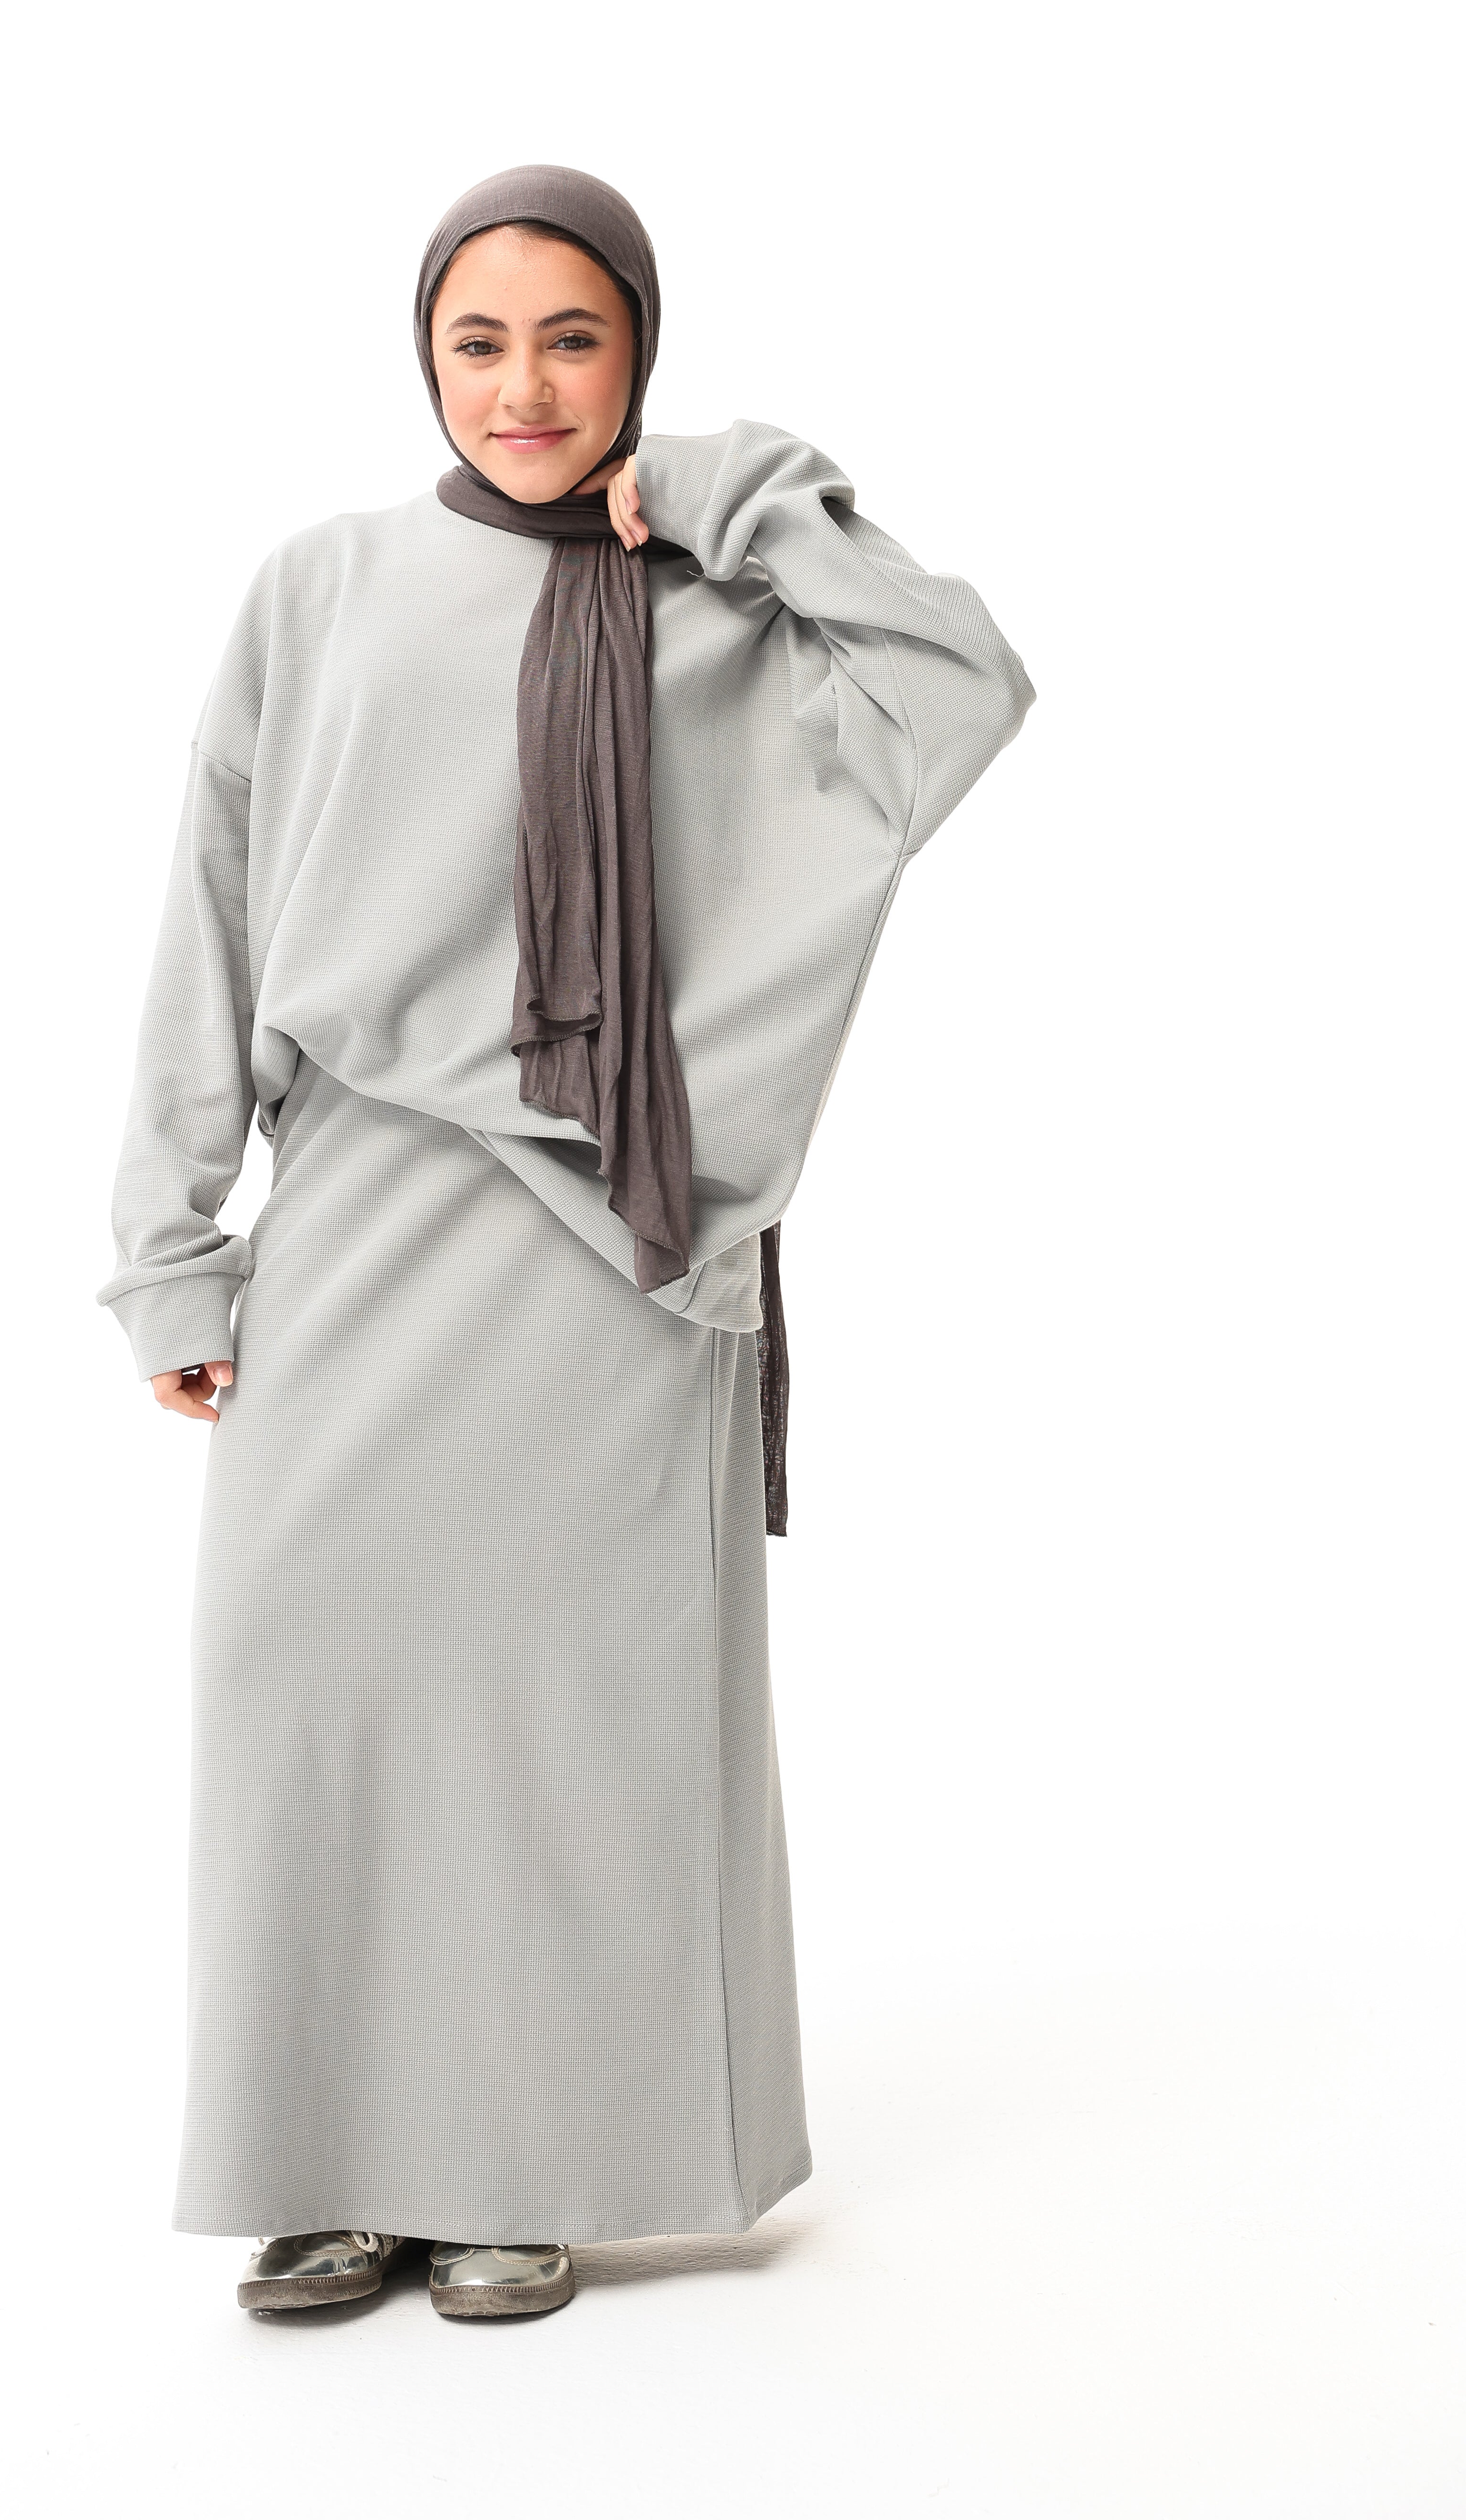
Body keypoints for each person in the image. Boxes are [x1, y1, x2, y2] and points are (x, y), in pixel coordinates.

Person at [97, 165, 1033, 2322]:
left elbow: (964, 683)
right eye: (479, 342)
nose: (524, 386)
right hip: (355, 1215)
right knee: (309, 1678)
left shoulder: (727, 611)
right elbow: (213, 907)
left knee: (571, 1715)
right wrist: (169, 1242)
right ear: (424, 358)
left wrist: (727, 495)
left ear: (640, 356)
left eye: (575, 340)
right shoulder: (322, 584)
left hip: (612, 1246)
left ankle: (525, 2161)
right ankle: (338, 2161)